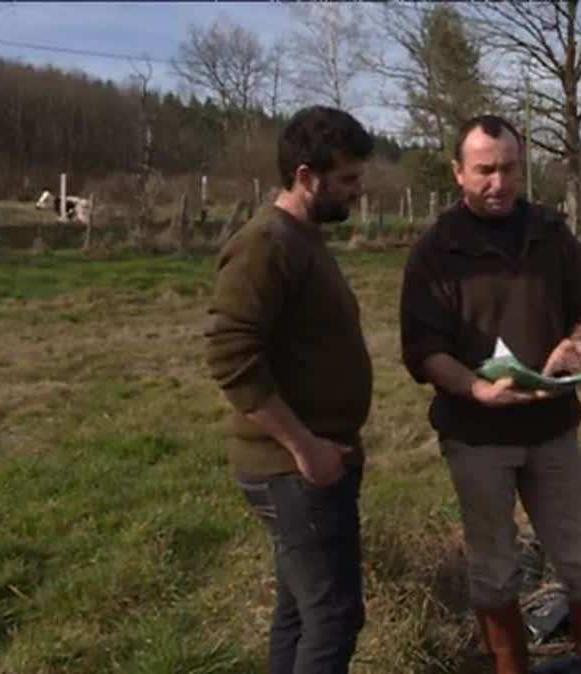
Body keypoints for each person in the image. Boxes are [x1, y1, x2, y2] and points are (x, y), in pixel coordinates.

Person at [399, 114, 581, 674]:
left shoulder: (549, 233)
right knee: (495, 567)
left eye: (509, 169)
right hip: (477, 436)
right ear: (458, 172)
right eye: (484, 171)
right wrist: (474, 388)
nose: (498, 183)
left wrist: (578, 341)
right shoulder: (437, 251)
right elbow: (423, 350)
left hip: (552, 430)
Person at [205, 105, 374, 674]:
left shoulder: (304, 238)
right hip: (293, 468)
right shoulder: (265, 244)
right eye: (347, 179)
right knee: (334, 615)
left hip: (312, 461)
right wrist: (304, 446)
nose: (358, 190)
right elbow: (230, 356)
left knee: (300, 613)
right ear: (307, 177)